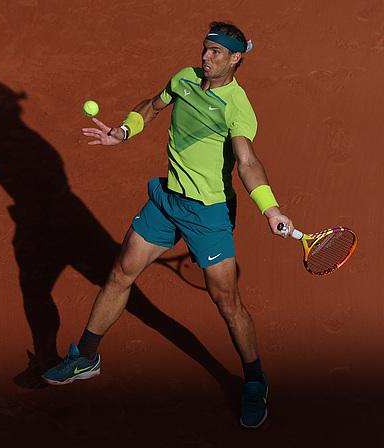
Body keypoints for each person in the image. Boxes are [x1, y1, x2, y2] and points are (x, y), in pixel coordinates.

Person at [42, 21, 294, 429]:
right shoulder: (184, 78)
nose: (206, 57)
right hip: (167, 201)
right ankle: (86, 357)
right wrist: (125, 130)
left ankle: (254, 379)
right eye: (205, 49)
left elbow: (247, 162)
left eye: (216, 52)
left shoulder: (236, 106)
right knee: (120, 272)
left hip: (208, 213)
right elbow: (153, 105)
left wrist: (271, 209)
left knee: (227, 302)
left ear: (235, 58)